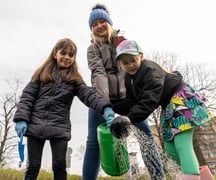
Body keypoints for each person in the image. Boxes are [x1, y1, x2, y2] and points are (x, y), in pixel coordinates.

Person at [82, 4, 165, 180]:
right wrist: (105, 106)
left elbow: (139, 65)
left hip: (128, 100)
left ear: (109, 23)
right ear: (92, 29)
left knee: (146, 136)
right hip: (101, 100)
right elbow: (98, 73)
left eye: (102, 21)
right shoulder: (92, 49)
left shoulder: (123, 42)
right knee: (93, 143)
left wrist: (163, 73)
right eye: (94, 24)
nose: (99, 26)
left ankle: (158, 177)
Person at [13, 38, 115, 180]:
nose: (67, 57)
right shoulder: (41, 74)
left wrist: (105, 108)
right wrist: (21, 119)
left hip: (59, 128)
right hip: (35, 126)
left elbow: (89, 95)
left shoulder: (74, 79)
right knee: (33, 167)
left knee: (60, 166)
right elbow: (27, 96)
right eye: (64, 53)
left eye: (71, 55)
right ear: (55, 53)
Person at [113, 39, 214, 180]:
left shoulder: (149, 69)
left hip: (181, 100)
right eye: (125, 62)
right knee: (171, 150)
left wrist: (129, 118)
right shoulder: (130, 79)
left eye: (133, 60)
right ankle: (203, 177)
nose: (130, 65)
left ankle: (191, 176)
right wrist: (111, 106)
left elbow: (150, 99)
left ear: (141, 57)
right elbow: (132, 101)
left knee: (181, 145)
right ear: (120, 64)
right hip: (168, 107)